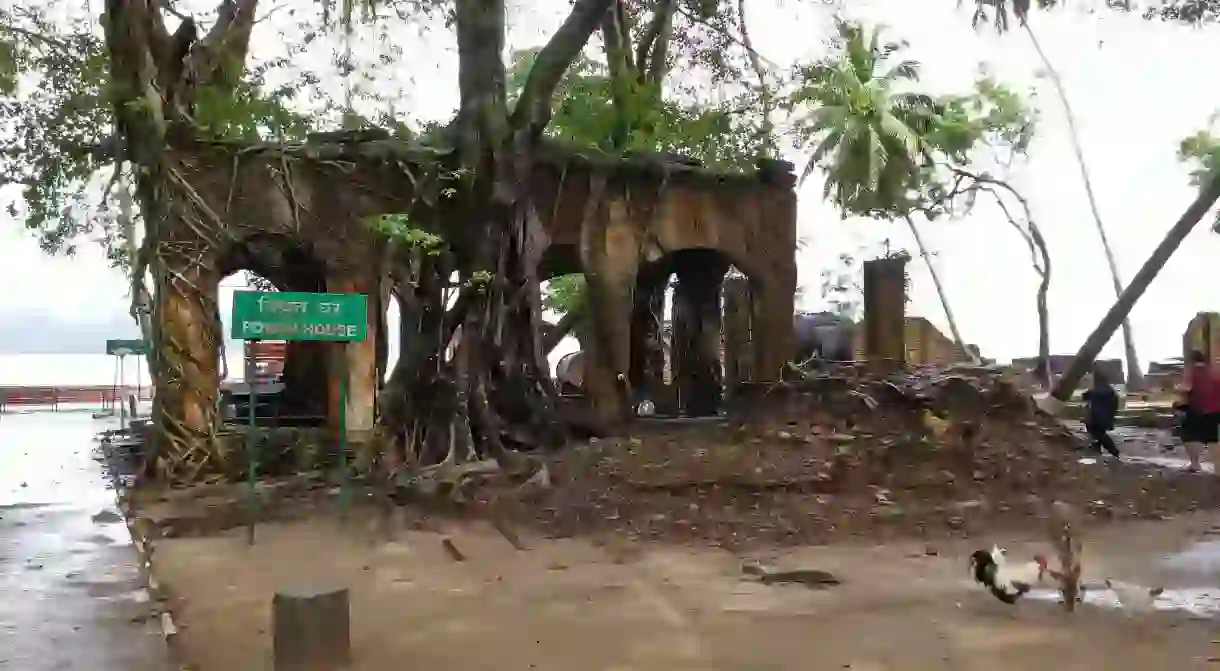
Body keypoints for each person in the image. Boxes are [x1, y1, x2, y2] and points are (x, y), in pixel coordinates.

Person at [1180, 350, 1220, 472]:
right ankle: (1217, 467)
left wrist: (1178, 393)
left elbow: (1187, 389)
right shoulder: (1213, 371)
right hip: (1215, 410)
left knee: (1190, 437)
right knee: (1213, 438)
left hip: (1197, 409)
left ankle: (1195, 463)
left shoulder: (1193, 372)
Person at [1082, 367, 1120, 458]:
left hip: (1097, 417)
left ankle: (1113, 451)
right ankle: (1097, 449)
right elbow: (1115, 405)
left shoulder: (1097, 390)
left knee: (1098, 434)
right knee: (1098, 433)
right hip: (1104, 416)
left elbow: (1084, 396)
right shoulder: (1110, 390)